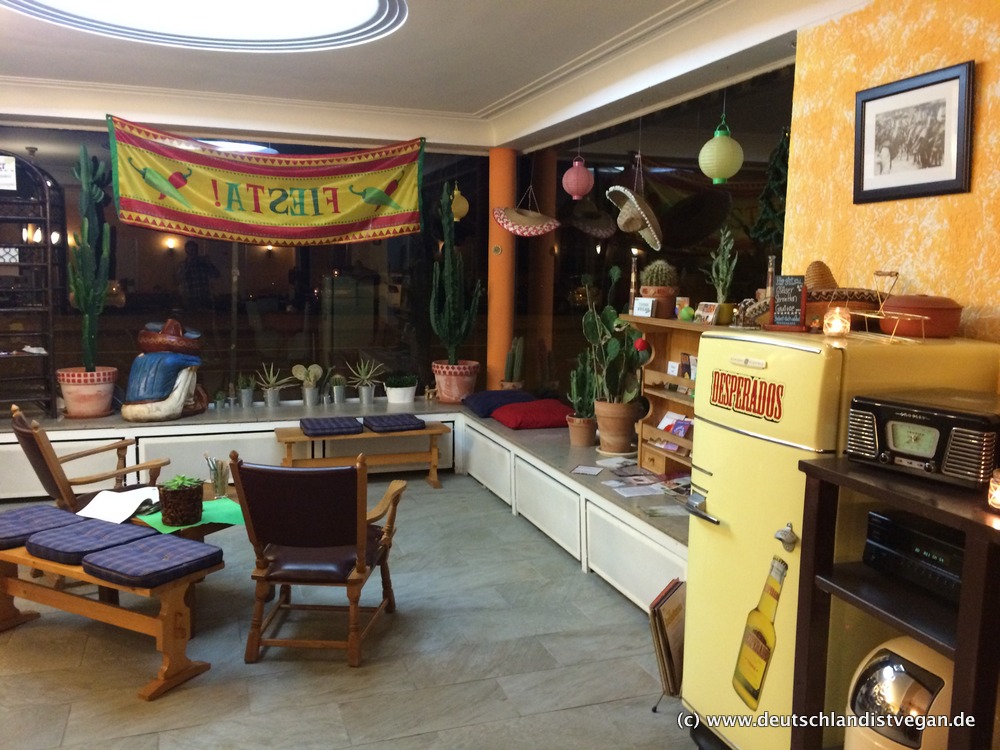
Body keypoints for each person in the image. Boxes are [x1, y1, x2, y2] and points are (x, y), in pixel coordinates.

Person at [176, 240, 219, 310]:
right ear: (186, 251)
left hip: (204, 296)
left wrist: (209, 264)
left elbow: (216, 275)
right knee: (191, 316)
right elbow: (178, 279)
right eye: (191, 250)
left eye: (195, 250)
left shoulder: (203, 264)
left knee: (204, 315)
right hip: (190, 297)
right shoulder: (183, 265)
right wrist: (188, 264)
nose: (193, 252)